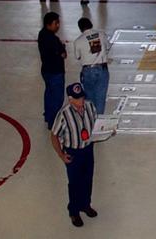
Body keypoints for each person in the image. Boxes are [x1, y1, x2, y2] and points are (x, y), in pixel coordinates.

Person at [50, 82, 99, 228]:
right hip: (73, 153)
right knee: (75, 183)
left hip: (88, 150)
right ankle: (74, 211)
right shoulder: (64, 114)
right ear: (70, 99)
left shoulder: (90, 106)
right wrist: (61, 155)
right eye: (77, 99)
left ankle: (85, 204)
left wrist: (106, 131)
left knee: (88, 179)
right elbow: (54, 135)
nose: (81, 101)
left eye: (82, 97)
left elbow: (96, 125)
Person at [72, 16, 110, 114]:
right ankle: (99, 118)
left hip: (88, 71)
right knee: (100, 97)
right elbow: (108, 47)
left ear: (80, 28)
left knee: (89, 98)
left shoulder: (78, 41)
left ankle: (91, 117)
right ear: (91, 24)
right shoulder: (101, 34)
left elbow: (77, 56)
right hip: (102, 69)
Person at [38, 12, 66, 129]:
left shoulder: (42, 34)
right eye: (56, 23)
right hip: (56, 72)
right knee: (57, 98)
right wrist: (62, 48)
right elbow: (63, 54)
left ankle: (48, 115)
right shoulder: (53, 39)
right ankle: (53, 122)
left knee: (49, 94)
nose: (58, 25)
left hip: (46, 70)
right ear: (48, 24)